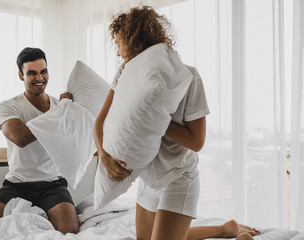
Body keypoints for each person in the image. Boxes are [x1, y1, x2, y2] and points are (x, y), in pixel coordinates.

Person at [93, 6, 260, 240]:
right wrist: (103, 155)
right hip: (149, 177)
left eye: (120, 44)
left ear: (134, 41)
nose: (119, 53)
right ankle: (225, 229)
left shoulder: (189, 77)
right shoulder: (124, 74)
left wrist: (157, 115)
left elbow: (197, 141)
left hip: (179, 177)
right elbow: (100, 120)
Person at [0, 47, 78, 235]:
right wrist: (60, 112)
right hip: (17, 184)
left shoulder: (60, 106)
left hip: (53, 183)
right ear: (21, 76)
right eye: (32, 73)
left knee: (70, 230)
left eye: (43, 71)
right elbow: (20, 138)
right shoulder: (9, 106)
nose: (40, 77)